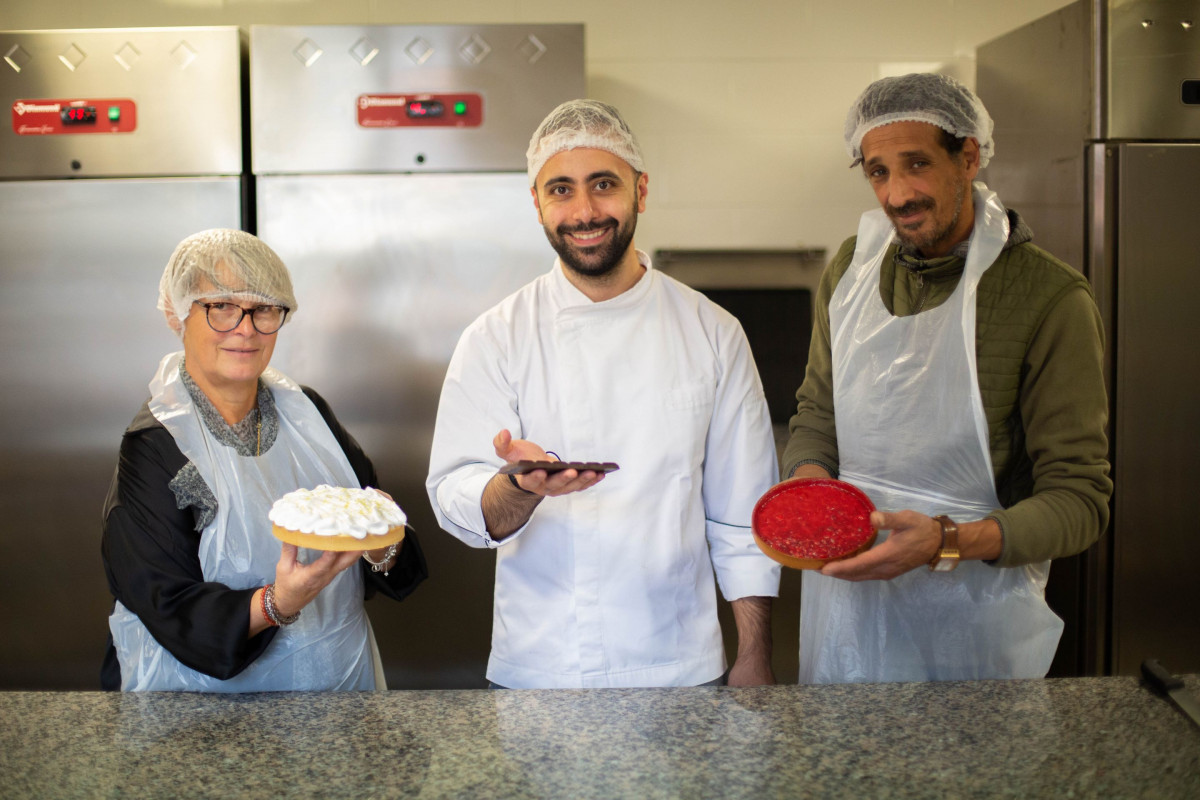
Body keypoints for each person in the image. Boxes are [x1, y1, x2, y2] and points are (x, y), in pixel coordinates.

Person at [426, 100, 781, 689]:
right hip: (542, 666)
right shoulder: (496, 337)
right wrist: (518, 487)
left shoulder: (712, 331)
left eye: (604, 185)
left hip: (682, 663)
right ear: (536, 204)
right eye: (561, 189)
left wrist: (755, 653)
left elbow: (743, 514)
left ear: (641, 190)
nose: (585, 211)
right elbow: (455, 499)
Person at [783, 73, 1112, 683]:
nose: (897, 193)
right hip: (846, 614)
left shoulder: (1050, 298)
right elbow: (818, 414)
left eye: (917, 164)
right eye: (878, 171)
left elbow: (1081, 501)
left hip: (975, 625)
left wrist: (945, 541)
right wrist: (810, 488)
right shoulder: (851, 270)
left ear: (969, 156)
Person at [101, 229, 427, 691]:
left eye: (264, 309)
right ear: (178, 313)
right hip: (200, 720)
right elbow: (165, 603)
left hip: (331, 705)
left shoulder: (308, 416)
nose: (246, 329)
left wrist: (382, 544)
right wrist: (278, 602)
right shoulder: (158, 442)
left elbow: (391, 550)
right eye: (222, 307)